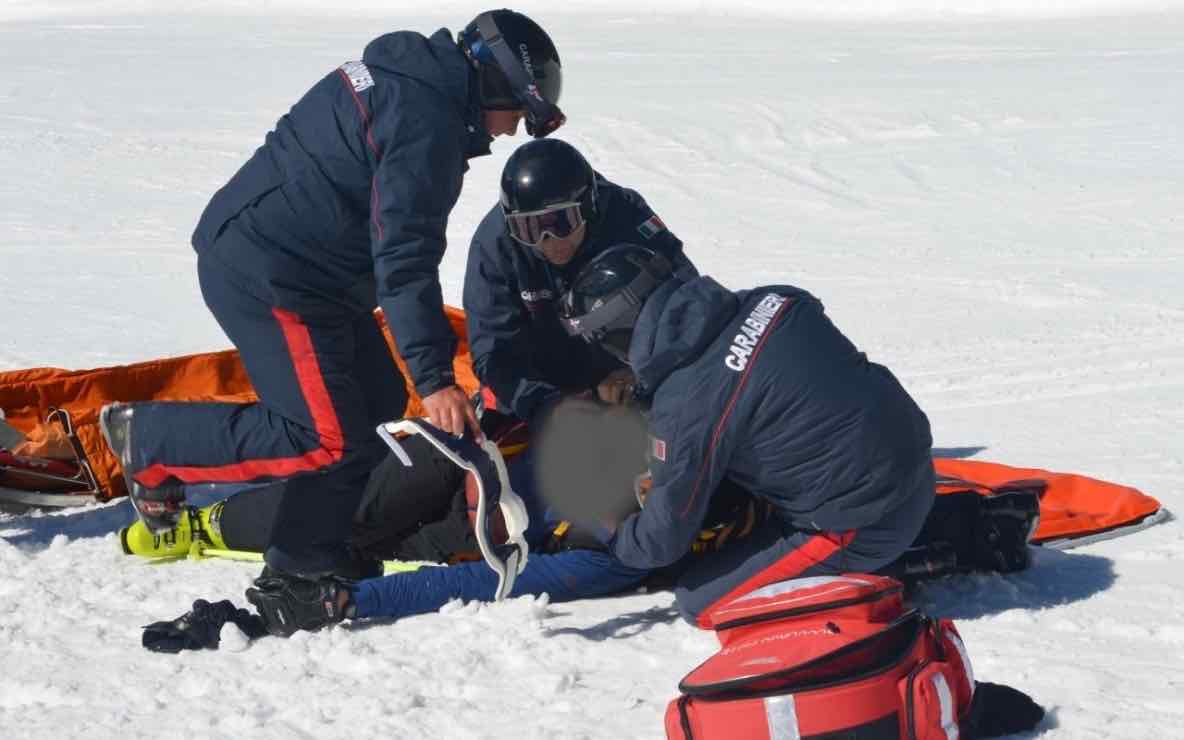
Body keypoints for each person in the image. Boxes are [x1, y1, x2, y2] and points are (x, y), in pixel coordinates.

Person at [98, 10, 565, 580]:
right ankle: (151, 439)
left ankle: (308, 551)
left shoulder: (411, 77)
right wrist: (437, 380)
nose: (510, 129)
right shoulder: (428, 127)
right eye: (515, 112)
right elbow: (405, 258)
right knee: (324, 435)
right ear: (492, 83)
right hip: (271, 273)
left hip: (311, 272)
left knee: (375, 398)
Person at [556, 244, 937, 626]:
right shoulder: (775, 299)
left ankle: (890, 572)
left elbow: (661, 541)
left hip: (864, 523)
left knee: (701, 602)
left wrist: (609, 529)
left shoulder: (685, 404)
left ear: (621, 330)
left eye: (601, 339)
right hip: (914, 462)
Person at [463, 138, 697, 422]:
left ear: (588, 205)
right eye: (529, 229)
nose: (549, 241)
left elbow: (685, 296)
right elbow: (493, 352)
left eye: (562, 223)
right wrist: (546, 403)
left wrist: (639, 371)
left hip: (623, 374)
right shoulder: (495, 245)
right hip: (541, 384)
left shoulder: (625, 213)